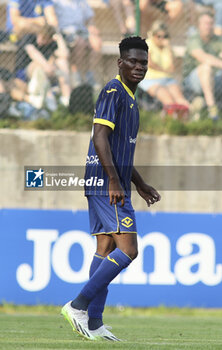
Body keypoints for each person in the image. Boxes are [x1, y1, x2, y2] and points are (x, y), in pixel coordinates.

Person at [61, 36, 161, 341]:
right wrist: (115, 181)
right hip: (107, 183)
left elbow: (120, 150)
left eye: (143, 62)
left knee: (106, 249)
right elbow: (99, 137)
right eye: (132, 61)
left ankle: (93, 322)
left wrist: (140, 183)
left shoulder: (130, 98)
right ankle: (78, 305)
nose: (138, 67)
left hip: (108, 181)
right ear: (120, 62)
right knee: (128, 249)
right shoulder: (113, 91)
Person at [183, 11, 222, 120]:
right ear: (199, 25)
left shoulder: (218, 39)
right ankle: (212, 109)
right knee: (206, 67)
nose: (208, 26)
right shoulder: (194, 39)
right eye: (205, 23)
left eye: (210, 23)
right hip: (192, 82)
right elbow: (204, 58)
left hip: (213, 79)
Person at [11, 24, 71, 110]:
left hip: (48, 72)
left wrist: (59, 38)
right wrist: (47, 66)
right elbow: (33, 53)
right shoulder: (29, 38)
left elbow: (65, 54)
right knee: (39, 66)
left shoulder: (51, 42)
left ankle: (66, 99)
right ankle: (49, 98)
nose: (41, 41)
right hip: (27, 71)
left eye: (45, 39)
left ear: (50, 39)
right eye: (41, 37)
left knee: (62, 62)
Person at [139, 20, 189, 115]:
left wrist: (169, 48)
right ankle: (170, 122)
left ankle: (185, 122)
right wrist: (164, 70)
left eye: (165, 36)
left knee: (181, 100)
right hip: (150, 79)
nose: (162, 39)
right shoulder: (148, 44)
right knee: (168, 100)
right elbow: (149, 63)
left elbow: (172, 67)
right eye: (159, 36)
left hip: (167, 79)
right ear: (153, 36)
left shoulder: (168, 48)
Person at [52, 0, 102, 88]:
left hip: (82, 31)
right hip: (66, 32)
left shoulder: (81, 1)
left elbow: (90, 19)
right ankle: (78, 76)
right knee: (80, 43)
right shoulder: (56, 2)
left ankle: (89, 75)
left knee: (96, 43)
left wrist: (92, 28)